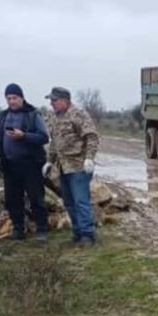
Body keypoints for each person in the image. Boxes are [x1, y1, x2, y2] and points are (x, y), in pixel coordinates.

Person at [0, 84, 51, 242]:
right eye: (8, 98)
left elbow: (43, 137)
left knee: (36, 198)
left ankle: (42, 229)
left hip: (31, 164)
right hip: (9, 165)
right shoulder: (2, 116)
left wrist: (24, 136)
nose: (12, 101)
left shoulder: (32, 114)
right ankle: (18, 229)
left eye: (14, 98)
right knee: (13, 199)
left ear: (21, 97)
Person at [43, 87, 99, 247]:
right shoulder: (54, 118)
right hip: (62, 167)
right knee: (69, 202)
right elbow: (54, 143)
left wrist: (89, 158)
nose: (52, 104)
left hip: (78, 166)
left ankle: (88, 235)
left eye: (54, 101)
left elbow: (92, 137)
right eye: (51, 101)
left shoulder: (78, 115)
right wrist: (49, 161)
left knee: (81, 201)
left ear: (64, 101)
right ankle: (77, 232)